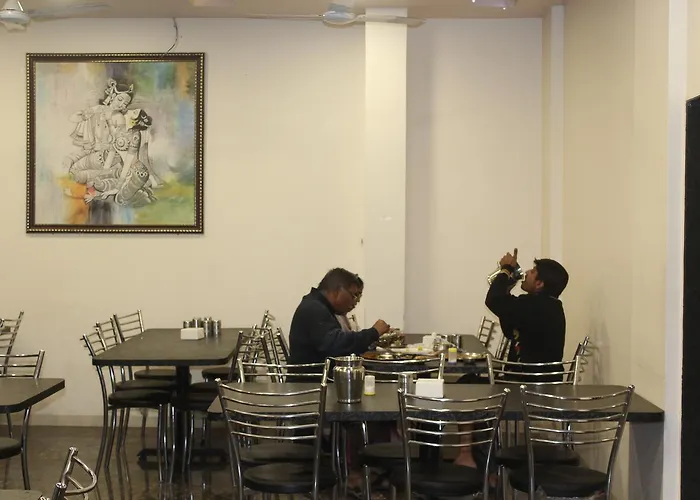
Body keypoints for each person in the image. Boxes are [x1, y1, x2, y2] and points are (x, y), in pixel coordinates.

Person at [454, 248, 569, 470]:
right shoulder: (547, 306)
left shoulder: (535, 306)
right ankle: (486, 464)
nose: (527, 273)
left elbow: (494, 300)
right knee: (473, 384)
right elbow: (509, 322)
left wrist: (506, 269)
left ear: (540, 284)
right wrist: (509, 279)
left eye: (533, 272)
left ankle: (468, 455)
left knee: (467, 386)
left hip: (526, 387)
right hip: (534, 383)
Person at [289, 268, 391, 365]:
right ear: (336, 291)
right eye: (353, 295)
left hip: (322, 372)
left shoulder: (319, 306)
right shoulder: (314, 308)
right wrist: (373, 332)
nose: (356, 301)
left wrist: (373, 340)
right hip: (314, 376)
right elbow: (336, 345)